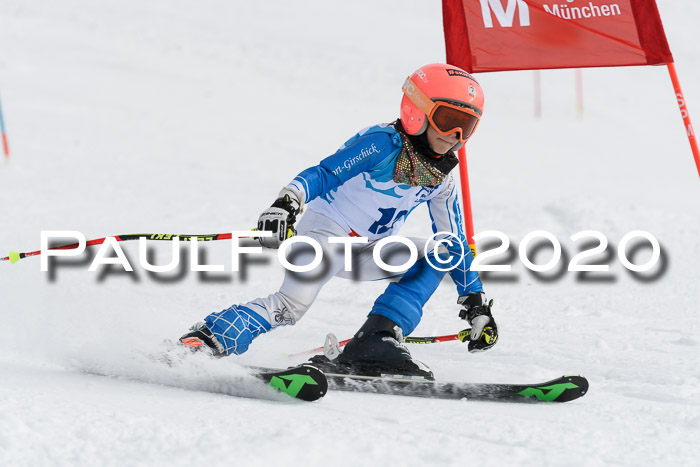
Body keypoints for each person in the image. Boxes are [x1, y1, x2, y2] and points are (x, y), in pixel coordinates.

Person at [179, 63, 498, 379]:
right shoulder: (382, 144)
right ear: (418, 111)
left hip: (368, 250)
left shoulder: (441, 179)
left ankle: (377, 341)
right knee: (290, 307)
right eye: (448, 121)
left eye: (466, 126)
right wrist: (287, 202)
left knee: (437, 254)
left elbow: (453, 240)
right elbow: (325, 173)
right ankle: (206, 339)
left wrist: (476, 303)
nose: (455, 135)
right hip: (324, 235)